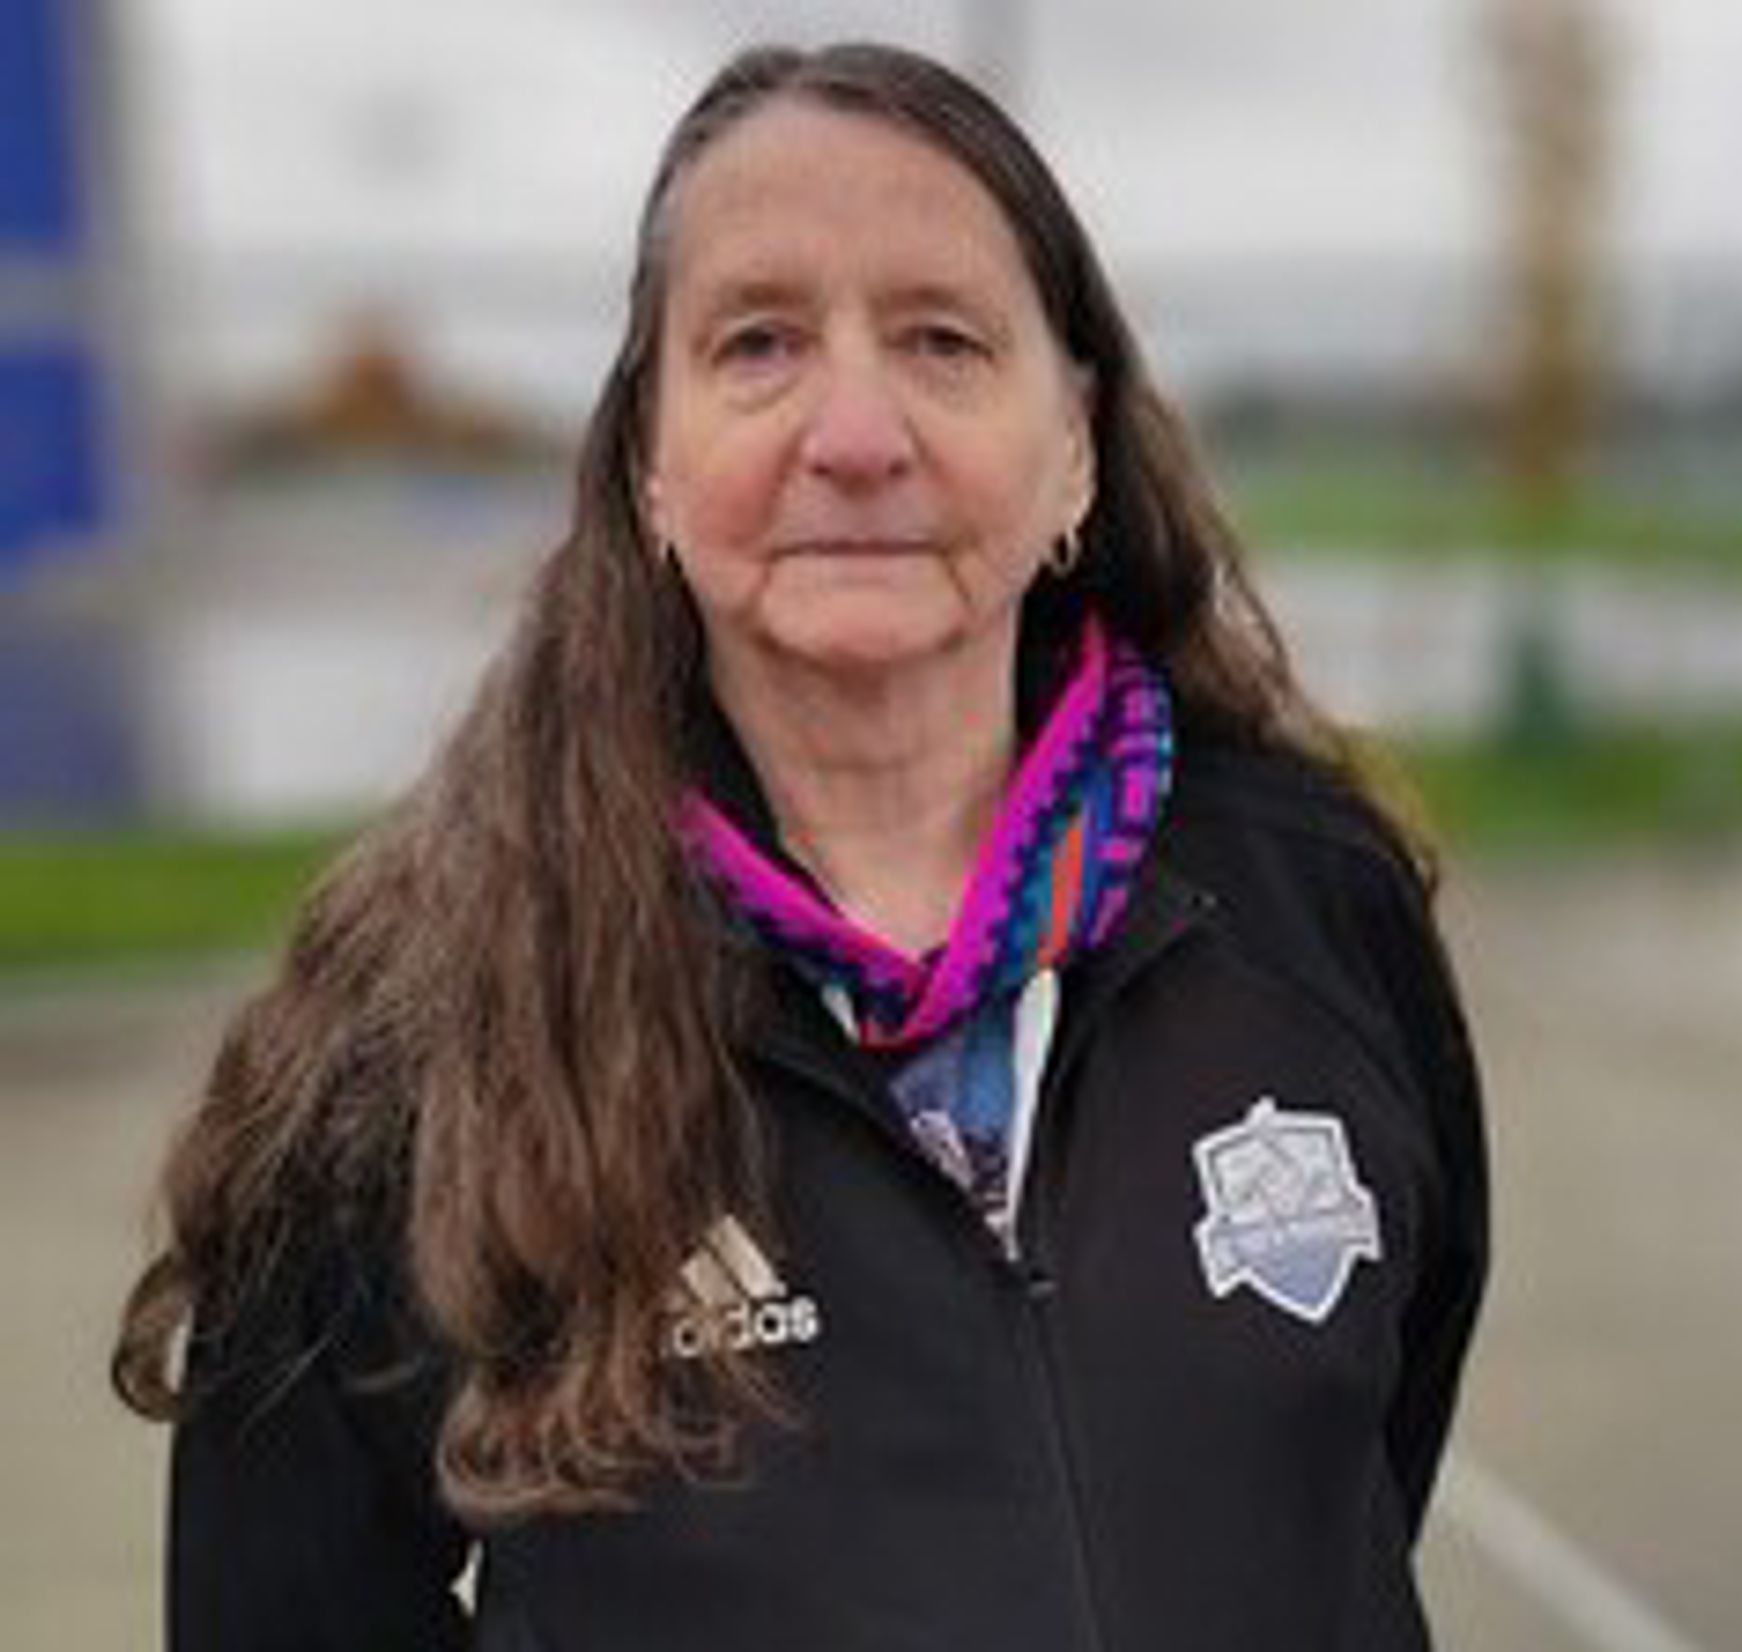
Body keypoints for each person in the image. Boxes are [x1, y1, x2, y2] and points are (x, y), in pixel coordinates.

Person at [114, 40, 1486, 1652]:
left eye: (943, 340)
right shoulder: (422, 1021)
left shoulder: (1315, 900)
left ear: (1075, 448)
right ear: (650, 464)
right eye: (759, 343)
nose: (855, 433)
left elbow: (1358, 1481)